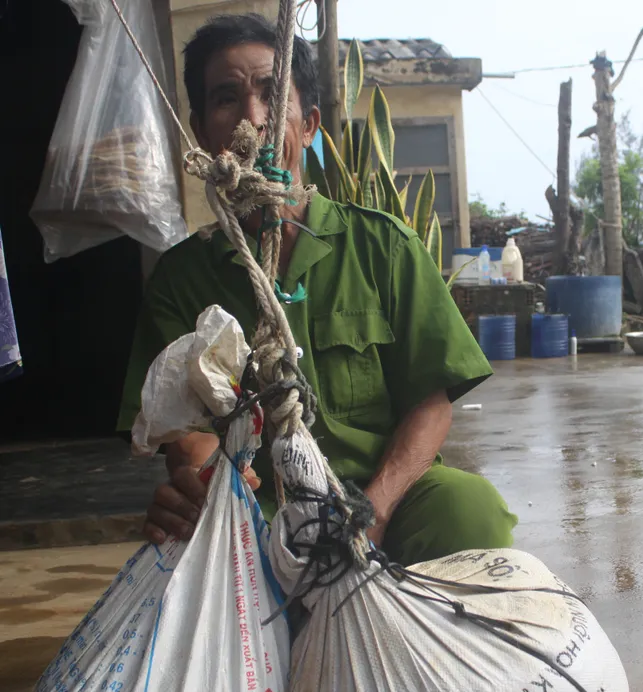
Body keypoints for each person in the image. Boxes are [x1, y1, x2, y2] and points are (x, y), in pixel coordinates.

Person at [117, 13, 516, 567]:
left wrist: (371, 516)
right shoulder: (180, 280)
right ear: (202, 129)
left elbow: (431, 405)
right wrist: (207, 489)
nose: (251, 119)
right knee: (177, 549)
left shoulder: (384, 247)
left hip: (382, 498)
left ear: (306, 126)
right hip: (254, 514)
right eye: (226, 99)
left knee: (469, 508)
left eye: (270, 96)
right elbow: (183, 436)